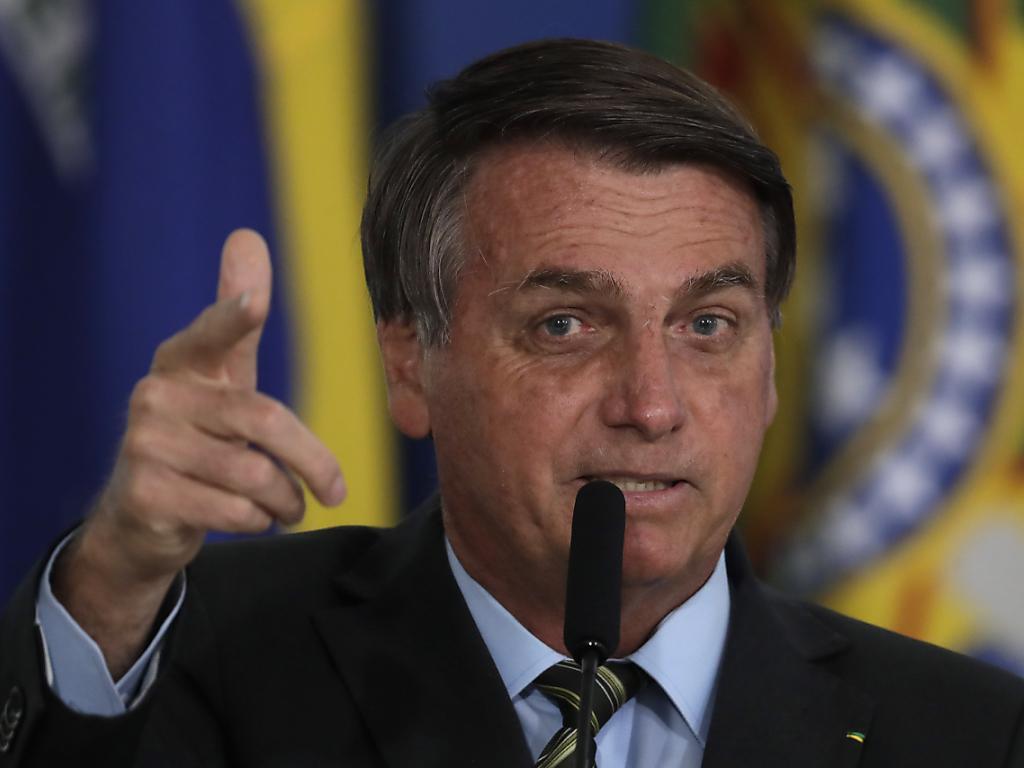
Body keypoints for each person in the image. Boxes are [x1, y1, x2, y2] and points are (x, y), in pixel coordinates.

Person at [1, 38, 1022, 768]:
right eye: (565, 325)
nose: (651, 406)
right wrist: (116, 577)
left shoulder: (969, 734)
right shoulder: (202, 658)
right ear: (411, 361)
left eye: (707, 325)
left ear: (770, 372)